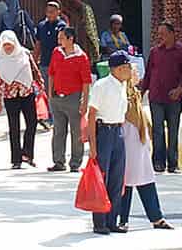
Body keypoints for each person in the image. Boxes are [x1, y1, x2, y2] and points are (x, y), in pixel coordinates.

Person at [115, 64, 173, 232]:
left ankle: (156, 217)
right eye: (134, 71)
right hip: (127, 143)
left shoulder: (134, 93)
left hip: (139, 144)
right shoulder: (121, 92)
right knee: (125, 182)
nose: (137, 75)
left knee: (145, 179)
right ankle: (122, 219)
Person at [83, 51, 132, 236]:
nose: (130, 70)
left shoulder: (123, 85)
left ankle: (112, 220)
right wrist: (93, 145)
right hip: (103, 131)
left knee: (117, 178)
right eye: (127, 67)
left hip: (118, 131)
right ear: (119, 68)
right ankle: (100, 221)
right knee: (102, 177)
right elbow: (92, 114)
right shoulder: (102, 85)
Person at [143, 20, 182, 174]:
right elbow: (149, 73)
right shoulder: (155, 52)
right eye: (159, 34)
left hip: (173, 98)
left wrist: (180, 89)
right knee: (157, 130)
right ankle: (158, 162)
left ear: (172, 34)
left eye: (164, 34)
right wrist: (142, 91)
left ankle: (173, 163)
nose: (161, 37)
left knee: (173, 130)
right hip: (156, 96)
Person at [0, 30, 39, 168]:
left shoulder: (24, 54)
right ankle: (16, 159)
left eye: (10, 44)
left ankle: (28, 154)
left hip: (27, 93)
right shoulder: (0, 58)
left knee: (32, 123)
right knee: (14, 127)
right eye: (5, 45)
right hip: (10, 96)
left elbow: (34, 71)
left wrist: (41, 88)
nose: (8, 48)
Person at [48, 26, 92, 172]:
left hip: (73, 97)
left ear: (70, 38)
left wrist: (84, 102)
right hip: (57, 96)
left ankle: (75, 162)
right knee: (58, 130)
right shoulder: (56, 52)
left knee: (76, 132)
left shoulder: (81, 57)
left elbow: (86, 82)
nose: (59, 40)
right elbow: (51, 73)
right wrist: (50, 93)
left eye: (61, 38)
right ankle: (58, 161)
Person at [33, 0, 67, 128]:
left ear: (59, 12)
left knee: (56, 90)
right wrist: (34, 61)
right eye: (47, 11)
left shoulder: (62, 26)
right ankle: (48, 116)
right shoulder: (41, 25)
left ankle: (58, 117)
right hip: (45, 64)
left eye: (52, 12)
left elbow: (65, 45)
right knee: (46, 90)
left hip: (58, 65)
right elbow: (38, 44)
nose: (49, 14)